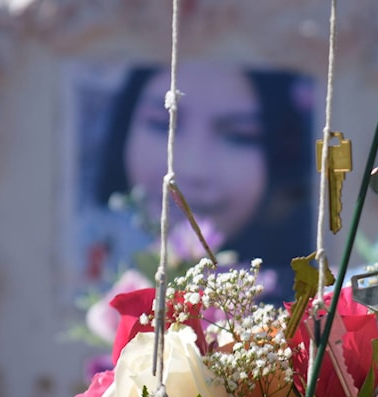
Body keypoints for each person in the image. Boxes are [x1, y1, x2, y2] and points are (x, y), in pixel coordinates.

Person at [78, 60, 314, 299]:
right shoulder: (81, 253)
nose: (192, 169)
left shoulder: (307, 294)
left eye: (239, 136)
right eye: (162, 125)